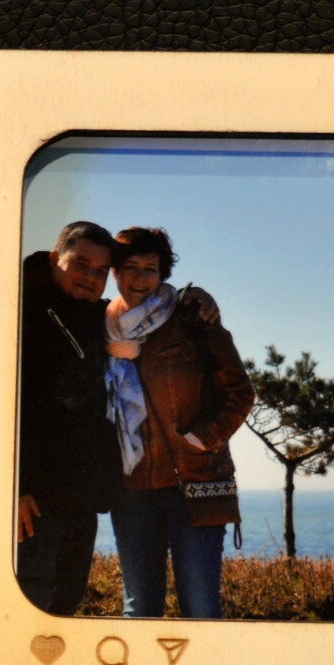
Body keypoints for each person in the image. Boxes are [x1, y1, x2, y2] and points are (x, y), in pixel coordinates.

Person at [103, 226, 252, 619]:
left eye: (150, 269)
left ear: (162, 273)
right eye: (130, 267)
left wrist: (201, 439)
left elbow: (240, 392)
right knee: (139, 609)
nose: (140, 278)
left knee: (201, 610)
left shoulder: (191, 317)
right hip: (131, 490)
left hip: (196, 484)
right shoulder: (99, 326)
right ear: (114, 271)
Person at [15, 221, 124, 615]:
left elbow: (146, 310)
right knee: (31, 607)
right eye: (80, 264)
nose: (91, 278)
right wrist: (16, 487)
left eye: (100, 271)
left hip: (81, 498)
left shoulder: (96, 317)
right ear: (53, 259)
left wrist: (194, 298)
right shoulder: (17, 311)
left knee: (65, 606)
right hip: (33, 502)